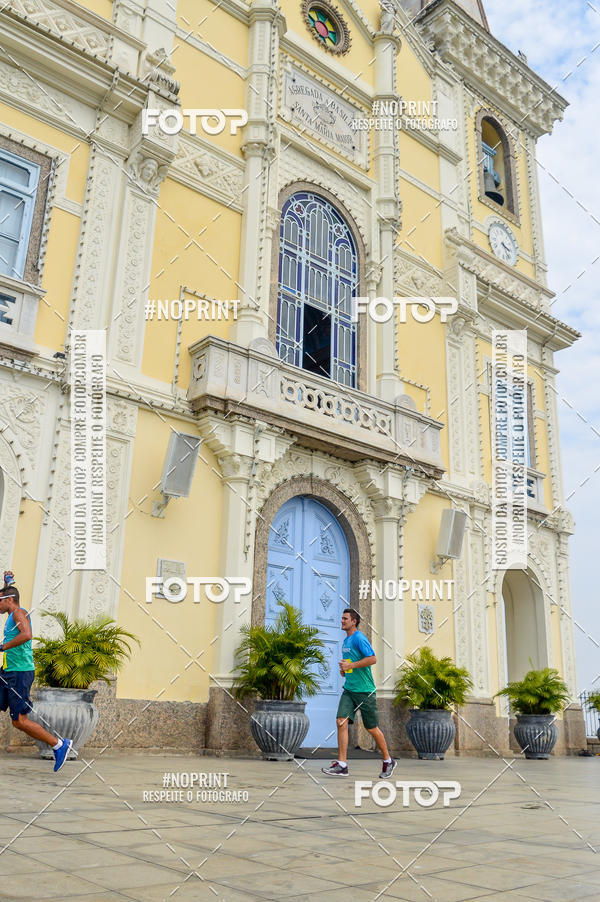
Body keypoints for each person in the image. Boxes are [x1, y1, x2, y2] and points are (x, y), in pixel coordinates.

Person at [0, 572, 73, 771]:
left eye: (0, 601)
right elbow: (9, 593)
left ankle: (59, 745)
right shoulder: (12, 614)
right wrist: (6, 583)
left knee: (20, 721)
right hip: (8, 671)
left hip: (19, 673)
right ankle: (59, 745)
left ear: (9, 600)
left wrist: (2, 647)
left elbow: (27, 634)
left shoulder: (19, 613)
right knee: (17, 720)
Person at [322, 607, 396, 778]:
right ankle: (342, 765)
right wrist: (345, 670)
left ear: (354, 622)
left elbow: (372, 658)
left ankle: (388, 760)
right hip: (349, 689)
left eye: (345, 619)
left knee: (372, 728)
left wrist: (351, 665)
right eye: (342, 618)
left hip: (365, 691)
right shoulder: (346, 641)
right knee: (341, 721)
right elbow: (351, 663)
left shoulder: (359, 638)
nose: (342, 621)